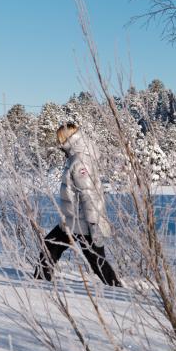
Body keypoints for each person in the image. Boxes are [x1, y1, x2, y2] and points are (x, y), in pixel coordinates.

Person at [34, 122, 121, 286]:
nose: (58, 143)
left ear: (67, 138)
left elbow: (87, 193)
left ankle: (118, 289)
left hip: (84, 223)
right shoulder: (77, 157)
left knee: (97, 261)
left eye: (59, 138)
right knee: (50, 246)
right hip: (72, 221)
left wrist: (93, 225)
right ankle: (39, 283)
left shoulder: (80, 161)